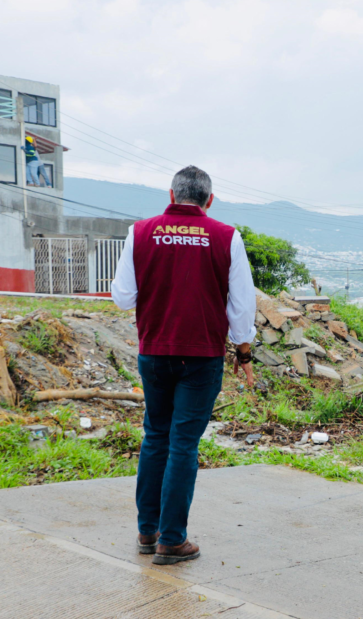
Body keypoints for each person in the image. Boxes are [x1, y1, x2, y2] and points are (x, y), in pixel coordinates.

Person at [110, 166, 256, 565]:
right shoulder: (227, 236)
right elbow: (241, 306)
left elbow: (122, 297)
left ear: (171, 195)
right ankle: (172, 540)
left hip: (154, 352)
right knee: (183, 445)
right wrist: (244, 352)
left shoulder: (140, 232)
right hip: (202, 356)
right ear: (209, 200)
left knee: (155, 436)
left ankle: (147, 532)